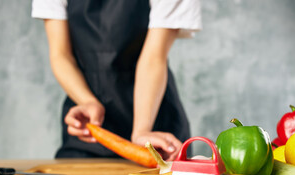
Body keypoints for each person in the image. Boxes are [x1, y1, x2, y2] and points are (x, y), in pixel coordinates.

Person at [32, 0, 202, 162]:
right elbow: (61, 56)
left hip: (154, 121)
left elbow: (153, 59)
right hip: (88, 123)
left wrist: (142, 130)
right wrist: (87, 101)